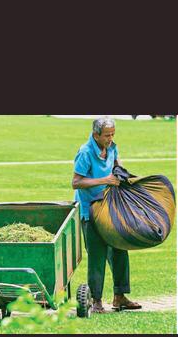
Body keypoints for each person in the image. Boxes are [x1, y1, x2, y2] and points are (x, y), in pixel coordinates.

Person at [72, 117, 141, 314]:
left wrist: (124, 175)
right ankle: (96, 301)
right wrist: (105, 180)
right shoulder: (85, 152)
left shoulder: (111, 148)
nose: (110, 139)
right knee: (97, 254)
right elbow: (76, 182)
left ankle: (120, 296)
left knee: (120, 248)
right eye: (107, 135)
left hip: (110, 208)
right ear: (96, 135)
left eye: (113, 134)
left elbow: (116, 166)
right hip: (91, 210)